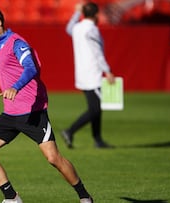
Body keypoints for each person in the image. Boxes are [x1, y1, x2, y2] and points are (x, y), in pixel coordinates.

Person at [0, 5, 93, 203]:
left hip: (32, 112)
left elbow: (30, 68)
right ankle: (12, 198)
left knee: (53, 158)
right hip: (10, 114)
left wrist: (15, 87)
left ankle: (85, 197)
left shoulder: (17, 43)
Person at [63, 2, 115, 149]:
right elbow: (97, 52)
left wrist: (76, 13)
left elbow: (68, 29)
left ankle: (98, 139)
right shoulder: (92, 30)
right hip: (93, 74)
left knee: (95, 107)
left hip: (82, 73)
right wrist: (107, 70)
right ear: (97, 15)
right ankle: (70, 131)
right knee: (95, 109)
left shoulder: (78, 28)